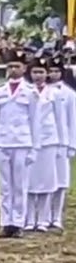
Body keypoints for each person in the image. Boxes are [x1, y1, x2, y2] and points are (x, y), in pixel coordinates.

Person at [0, 50, 40, 238]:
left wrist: (34, 148)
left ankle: (18, 222)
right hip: (3, 142)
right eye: (10, 66)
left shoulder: (31, 92)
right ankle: (6, 222)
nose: (13, 70)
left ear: (24, 68)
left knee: (20, 184)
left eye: (17, 66)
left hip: (22, 142)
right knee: (4, 185)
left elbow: (35, 121)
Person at [26, 56, 68, 232]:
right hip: (29, 142)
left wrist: (63, 144)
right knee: (28, 182)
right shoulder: (26, 91)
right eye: (35, 72)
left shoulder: (55, 94)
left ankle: (43, 219)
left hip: (49, 140)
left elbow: (60, 120)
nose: (38, 76)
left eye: (41, 72)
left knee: (47, 181)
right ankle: (29, 219)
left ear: (46, 74)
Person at [43, 55, 76, 230]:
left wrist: (72, 144)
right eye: (51, 71)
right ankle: (45, 215)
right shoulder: (43, 91)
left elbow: (72, 120)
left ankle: (56, 217)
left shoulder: (69, 94)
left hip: (62, 142)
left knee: (61, 181)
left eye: (57, 71)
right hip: (47, 141)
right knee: (47, 180)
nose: (54, 74)